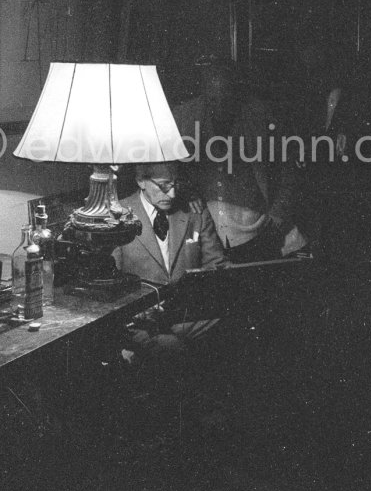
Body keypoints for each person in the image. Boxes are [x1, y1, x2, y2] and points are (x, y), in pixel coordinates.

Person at [173, 60, 306, 262]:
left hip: (258, 232)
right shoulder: (183, 116)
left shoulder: (263, 117)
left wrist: (277, 218)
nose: (219, 107)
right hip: (204, 234)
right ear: (203, 93)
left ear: (236, 93)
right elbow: (166, 168)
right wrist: (185, 188)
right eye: (212, 100)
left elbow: (289, 174)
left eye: (225, 98)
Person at [113, 161, 228, 356]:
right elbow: (110, 285)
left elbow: (216, 265)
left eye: (176, 184)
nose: (172, 194)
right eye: (164, 185)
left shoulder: (194, 211)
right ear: (141, 180)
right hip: (140, 322)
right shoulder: (117, 216)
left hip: (185, 317)